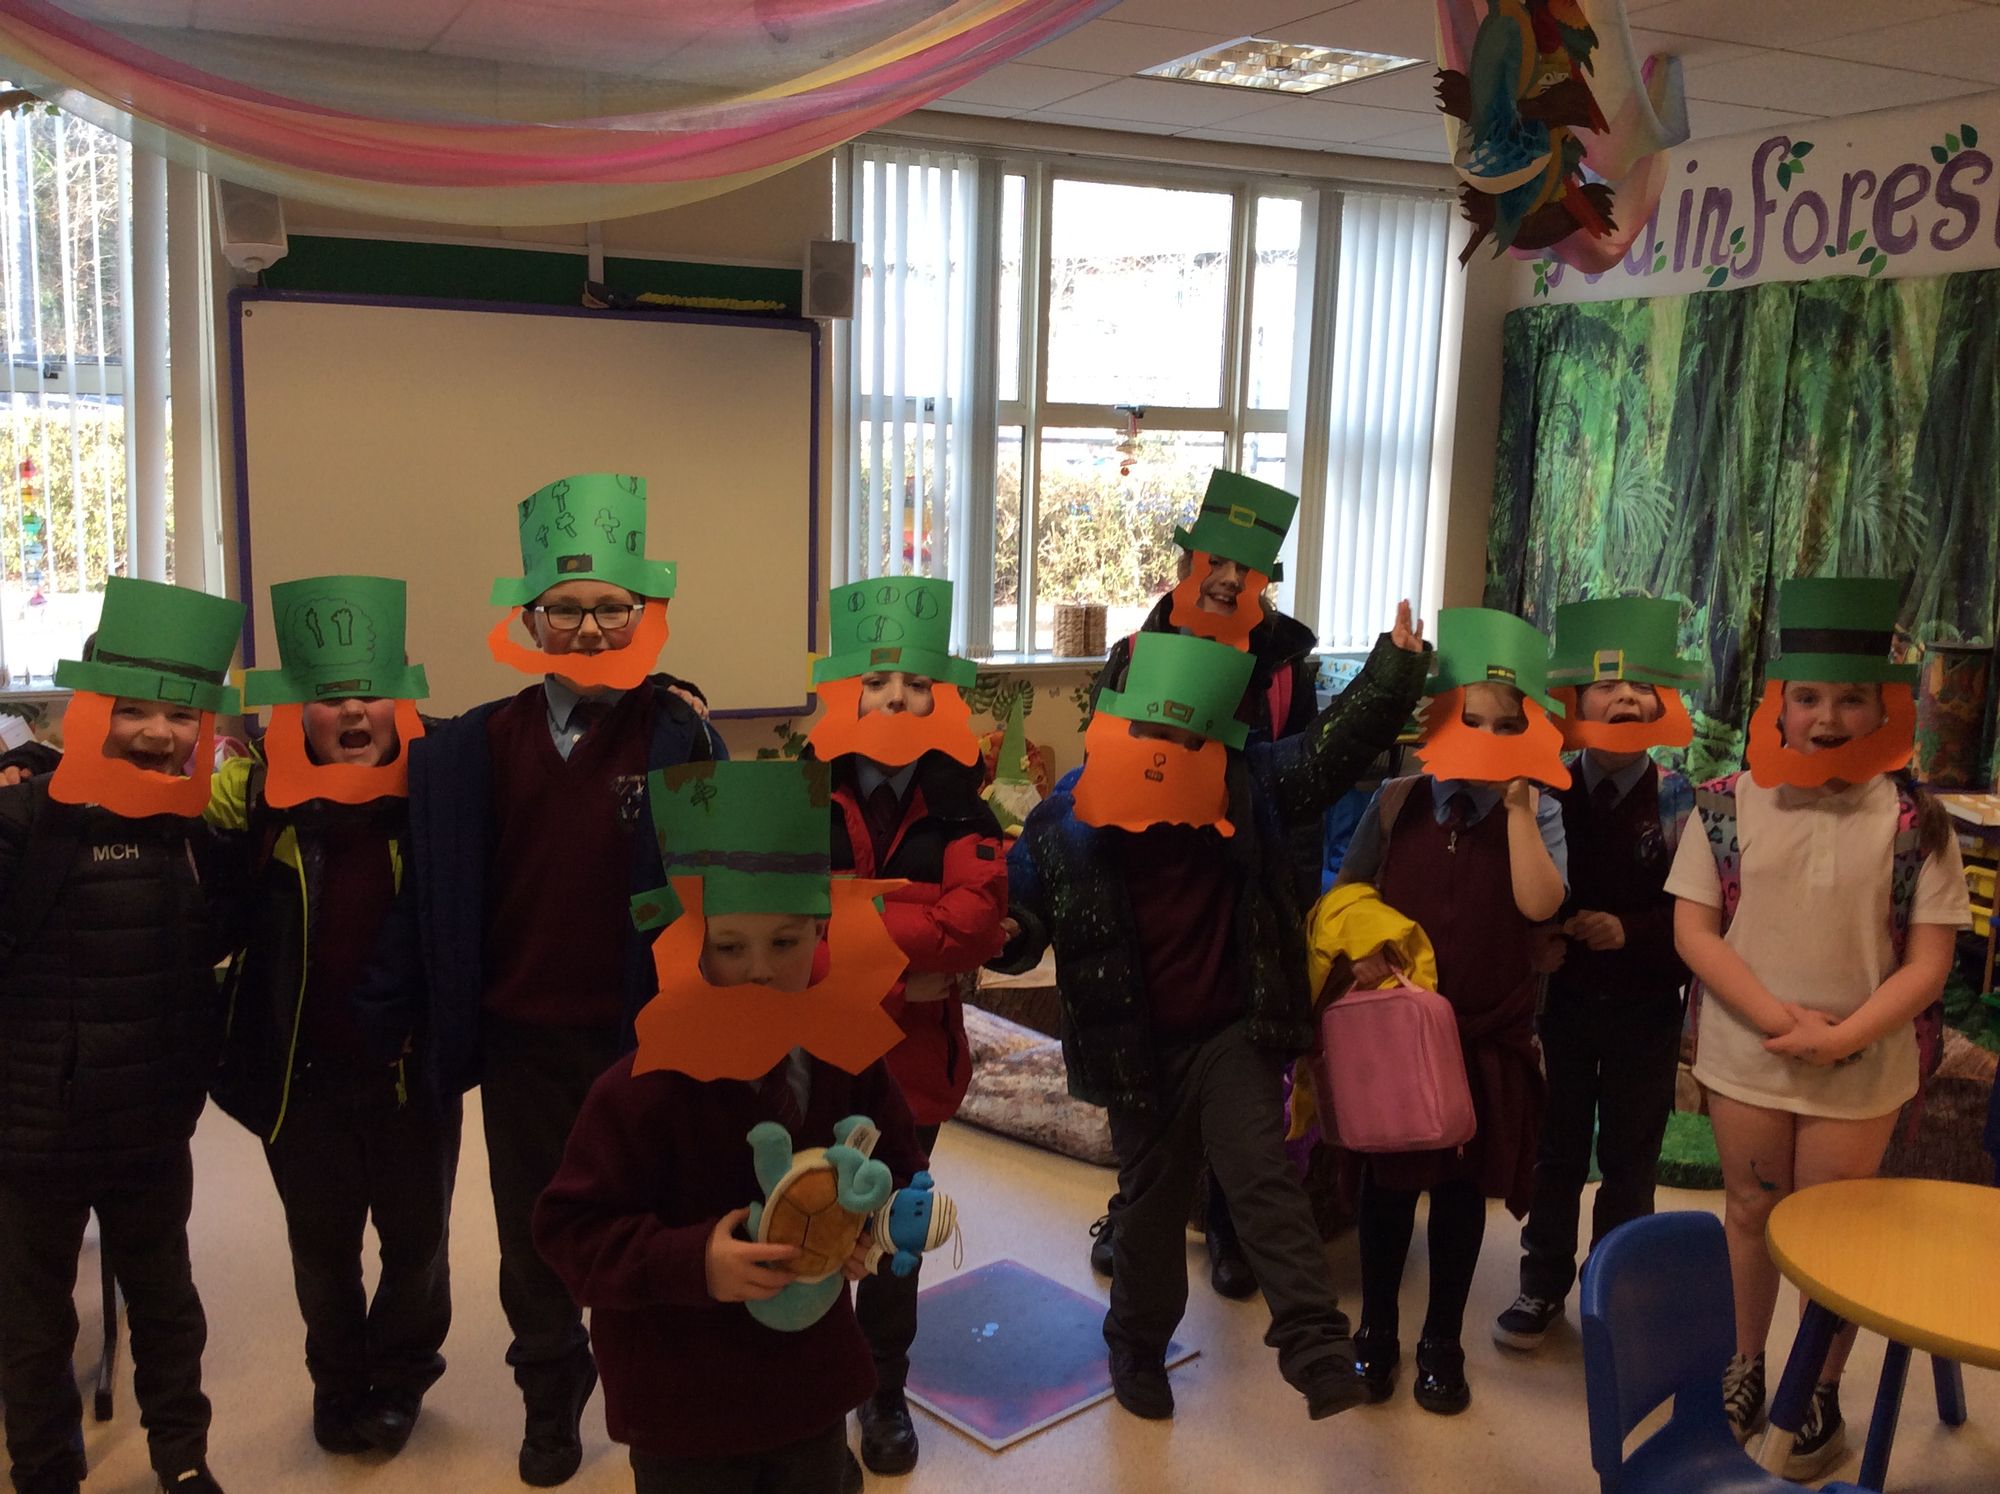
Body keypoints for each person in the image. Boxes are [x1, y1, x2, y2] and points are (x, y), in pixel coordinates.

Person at [365, 473, 723, 1487]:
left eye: (611, 607)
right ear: (528, 618)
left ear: (643, 615)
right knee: (536, 1227)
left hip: (638, 1034)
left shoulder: (677, 737)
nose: (588, 627)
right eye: (563, 609)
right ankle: (549, 1388)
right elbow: (430, 891)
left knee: (644, 1213)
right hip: (522, 1035)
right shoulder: (478, 744)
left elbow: (717, 888)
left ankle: (647, 1383)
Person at [997, 605, 1429, 1424]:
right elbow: (1026, 911)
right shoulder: (1066, 817)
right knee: (1151, 1213)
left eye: (1186, 725)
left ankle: (1312, 1342)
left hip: (1231, 1030)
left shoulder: (1250, 785)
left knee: (1262, 1174)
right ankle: (1135, 1344)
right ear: (1111, 717)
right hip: (1133, 1051)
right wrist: (1011, 931)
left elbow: (1330, 754)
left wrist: (1394, 668)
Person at [534, 758, 927, 1494]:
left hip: (808, 1390)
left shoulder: (846, 1060)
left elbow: (901, 1168)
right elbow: (568, 1233)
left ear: (819, 932)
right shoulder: (638, 1093)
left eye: (784, 944)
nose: (757, 970)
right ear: (692, 942)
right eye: (730, 945)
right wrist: (693, 1261)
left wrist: (876, 1229)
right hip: (686, 1410)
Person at [1668, 577, 1966, 1479]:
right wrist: (1775, 1020)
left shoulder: (1916, 821)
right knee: (1753, 1212)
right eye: (1808, 697)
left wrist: (1841, 1038)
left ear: (1883, 707)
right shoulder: (1724, 803)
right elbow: (1695, 931)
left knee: (1832, 1238)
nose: (1827, 718)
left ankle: (1821, 1389)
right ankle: (1750, 1362)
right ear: (1779, 706)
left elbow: (1927, 961)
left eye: (1849, 698)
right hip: (1745, 1057)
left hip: (1861, 1070)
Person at [0, 579, 249, 1494]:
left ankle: (183, 1461)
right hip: (35, 1137)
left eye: (180, 715)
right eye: (133, 710)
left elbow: (223, 939)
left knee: (170, 1310)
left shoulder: (194, 835)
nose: (157, 733)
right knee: (32, 1327)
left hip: (151, 1130)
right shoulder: (20, 822)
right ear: (88, 706)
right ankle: (45, 1472)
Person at [207, 575, 459, 1459]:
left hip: (407, 1071)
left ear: (402, 704)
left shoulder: (436, 809)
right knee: (322, 1249)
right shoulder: (259, 813)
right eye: (328, 699)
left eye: (370, 695)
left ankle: (399, 1375)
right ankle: (338, 1375)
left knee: (417, 1239)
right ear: (296, 713)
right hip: (300, 1076)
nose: (353, 714)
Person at [1088, 468, 1320, 1298]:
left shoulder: (1286, 669)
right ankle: (1136, 1209)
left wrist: (1298, 902)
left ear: (1264, 583)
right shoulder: (1132, 654)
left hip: (1244, 899)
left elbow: (1305, 795)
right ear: (1188, 564)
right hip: (1150, 893)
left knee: (1243, 1070)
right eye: (1214, 560)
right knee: (1142, 1067)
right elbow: (1099, 780)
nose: (1227, 578)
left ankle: (1227, 1228)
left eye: (1247, 569)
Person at [1335, 607, 1568, 1415]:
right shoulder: (1399, 801)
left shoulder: (1537, 814)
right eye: (1471, 717)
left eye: (1507, 725)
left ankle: (1441, 1340)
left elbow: (1542, 906)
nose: (1486, 735)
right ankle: (1375, 1333)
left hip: (1483, 1041)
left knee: (1463, 1200)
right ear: (1439, 716)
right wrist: (1359, 950)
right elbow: (1349, 893)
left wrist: (1516, 810)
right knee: (1388, 1191)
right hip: (1401, 1041)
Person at [803, 577, 1007, 1479]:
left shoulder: (962, 802)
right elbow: (778, 927)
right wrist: (910, 940)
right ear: (846, 693)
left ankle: (885, 1393)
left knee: (893, 1227)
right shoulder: (804, 796)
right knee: (806, 1212)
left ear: (941, 698)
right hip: (809, 1052)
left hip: (914, 1065)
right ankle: (811, 1385)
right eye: (878, 685)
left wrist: (852, 922)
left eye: (914, 687)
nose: (895, 700)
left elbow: (980, 925)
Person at [1494, 597, 1700, 1350]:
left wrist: (1632, 931)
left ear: (1664, 700)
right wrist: (1544, 939)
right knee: (1558, 1145)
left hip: (1648, 1009)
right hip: (1569, 1004)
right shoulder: (1546, 792)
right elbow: (1521, 889)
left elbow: (1701, 920)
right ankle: (1541, 1281)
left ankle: (1615, 1291)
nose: (1625, 699)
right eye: (1606, 685)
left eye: (1641, 685)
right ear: (1571, 701)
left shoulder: (1680, 800)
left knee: (1629, 1158)